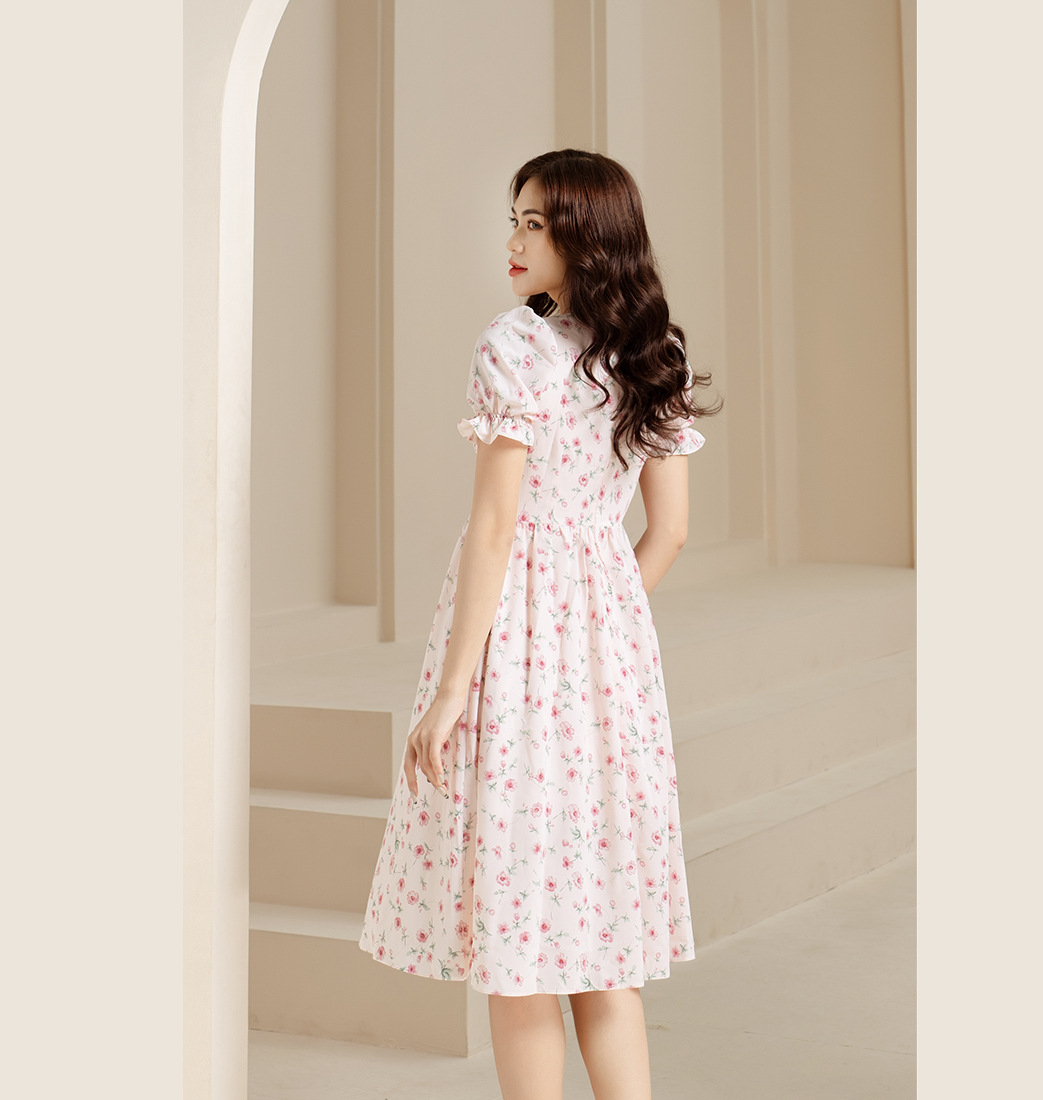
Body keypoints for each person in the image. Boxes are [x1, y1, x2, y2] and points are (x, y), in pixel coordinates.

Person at [360, 148, 721, 1100]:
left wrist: (451, 692)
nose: (515, 242)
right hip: (610, 661)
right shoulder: (652, 353)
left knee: (521, 949)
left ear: (586, 237)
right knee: (601, 941)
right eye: (513, 220)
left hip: (510, 651)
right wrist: (601, 619)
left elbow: (495, 528)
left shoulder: (514, 346)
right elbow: (671, 532)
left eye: (536, 223)